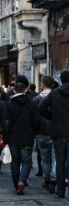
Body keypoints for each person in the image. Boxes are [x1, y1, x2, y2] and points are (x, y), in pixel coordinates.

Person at [3, 75, 40, 195]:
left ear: (14, 90)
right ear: (25, 89)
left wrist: (6, 136)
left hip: (13, 137)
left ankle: (16, 183)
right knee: (26, 161)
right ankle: (22, 181)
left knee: (15, 162)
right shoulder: (32, 103)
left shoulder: (9, 104)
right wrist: (34, 132)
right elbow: (36, 121)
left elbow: (6, 122)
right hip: (27, 137)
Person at [39, 70, 69, 198]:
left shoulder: (55, 93)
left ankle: (60, 190)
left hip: (58, 131)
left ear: (61, 80)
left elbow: (41, 107)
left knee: (60, 161)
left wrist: (52, 117)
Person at [33, 75, 56, 193]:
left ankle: (47, 179)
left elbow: (34, 116)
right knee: (55, 157)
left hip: (41, 132)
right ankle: (53, 178)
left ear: (42, 84)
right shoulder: (57, 96)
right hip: (56, 130)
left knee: (44, 158)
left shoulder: (36, 99)